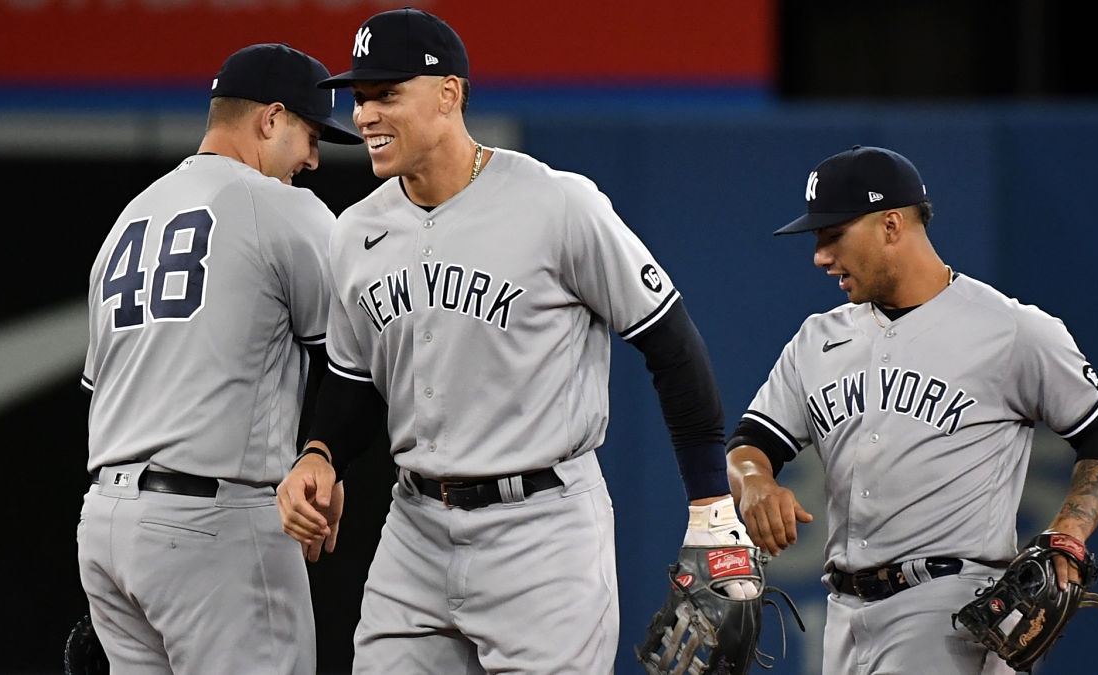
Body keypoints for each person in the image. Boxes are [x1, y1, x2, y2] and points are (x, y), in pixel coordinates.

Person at [275, 7, 754, 673]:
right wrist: (320, 453)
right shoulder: (356, 232)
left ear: (450, 93)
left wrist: (710, 505)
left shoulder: (556, 205)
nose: (365, 115)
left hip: (543, 529)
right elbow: (355, 380)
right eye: (359, 98)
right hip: (415, 525)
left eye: (387, 94)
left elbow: (669, 343)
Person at [726, 145, 1098, 673]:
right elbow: (751, 442)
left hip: (951, 611)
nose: (821, 256)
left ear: (891, 225)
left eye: (832, 235)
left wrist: (1068, 534)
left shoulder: (1011, 329)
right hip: (841, 614)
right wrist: (753, 479)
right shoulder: (817, 340)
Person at [76, 42, 362, 673]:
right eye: (311, 134)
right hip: (214, 528)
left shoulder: (131, 219)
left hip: (106, 529)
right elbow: (363, 355)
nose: (314, 158)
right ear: (271, 119)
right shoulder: (278, 206)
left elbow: (102, 386)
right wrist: (328, 454)